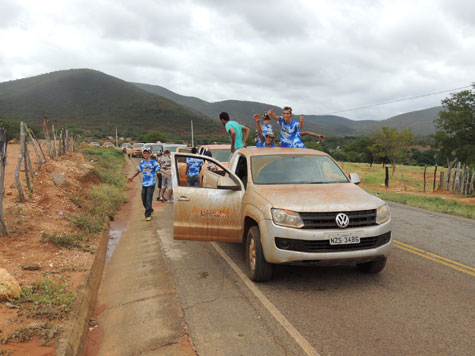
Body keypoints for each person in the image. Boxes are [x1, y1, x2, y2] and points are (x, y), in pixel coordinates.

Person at [128, 149, 161, 221]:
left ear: (149, 154)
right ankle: (150, 210)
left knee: (149, 199)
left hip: (151, 183)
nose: (145, 155)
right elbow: (138, 171)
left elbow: (159, 169)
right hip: (144, 183)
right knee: (143, 199)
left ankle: (147, 215)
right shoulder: (142, 162)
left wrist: (168, 174)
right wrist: (132, 177)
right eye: (144, 153)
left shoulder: (153, 162)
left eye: (147, 153)